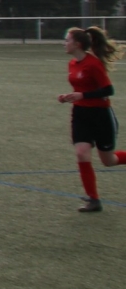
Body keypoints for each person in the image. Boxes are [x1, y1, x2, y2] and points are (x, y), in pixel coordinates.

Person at [59, 26, 119, 214]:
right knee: (81, 153)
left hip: (101, 116)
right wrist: (68, 97)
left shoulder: (93, 64)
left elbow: (108, 90)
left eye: (67, 40)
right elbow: (80, 90)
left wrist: (82, 95)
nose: (64, 43)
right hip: (80, 115)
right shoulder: (72, 64)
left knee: (108, 160)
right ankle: (93, 200)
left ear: (77, 44)